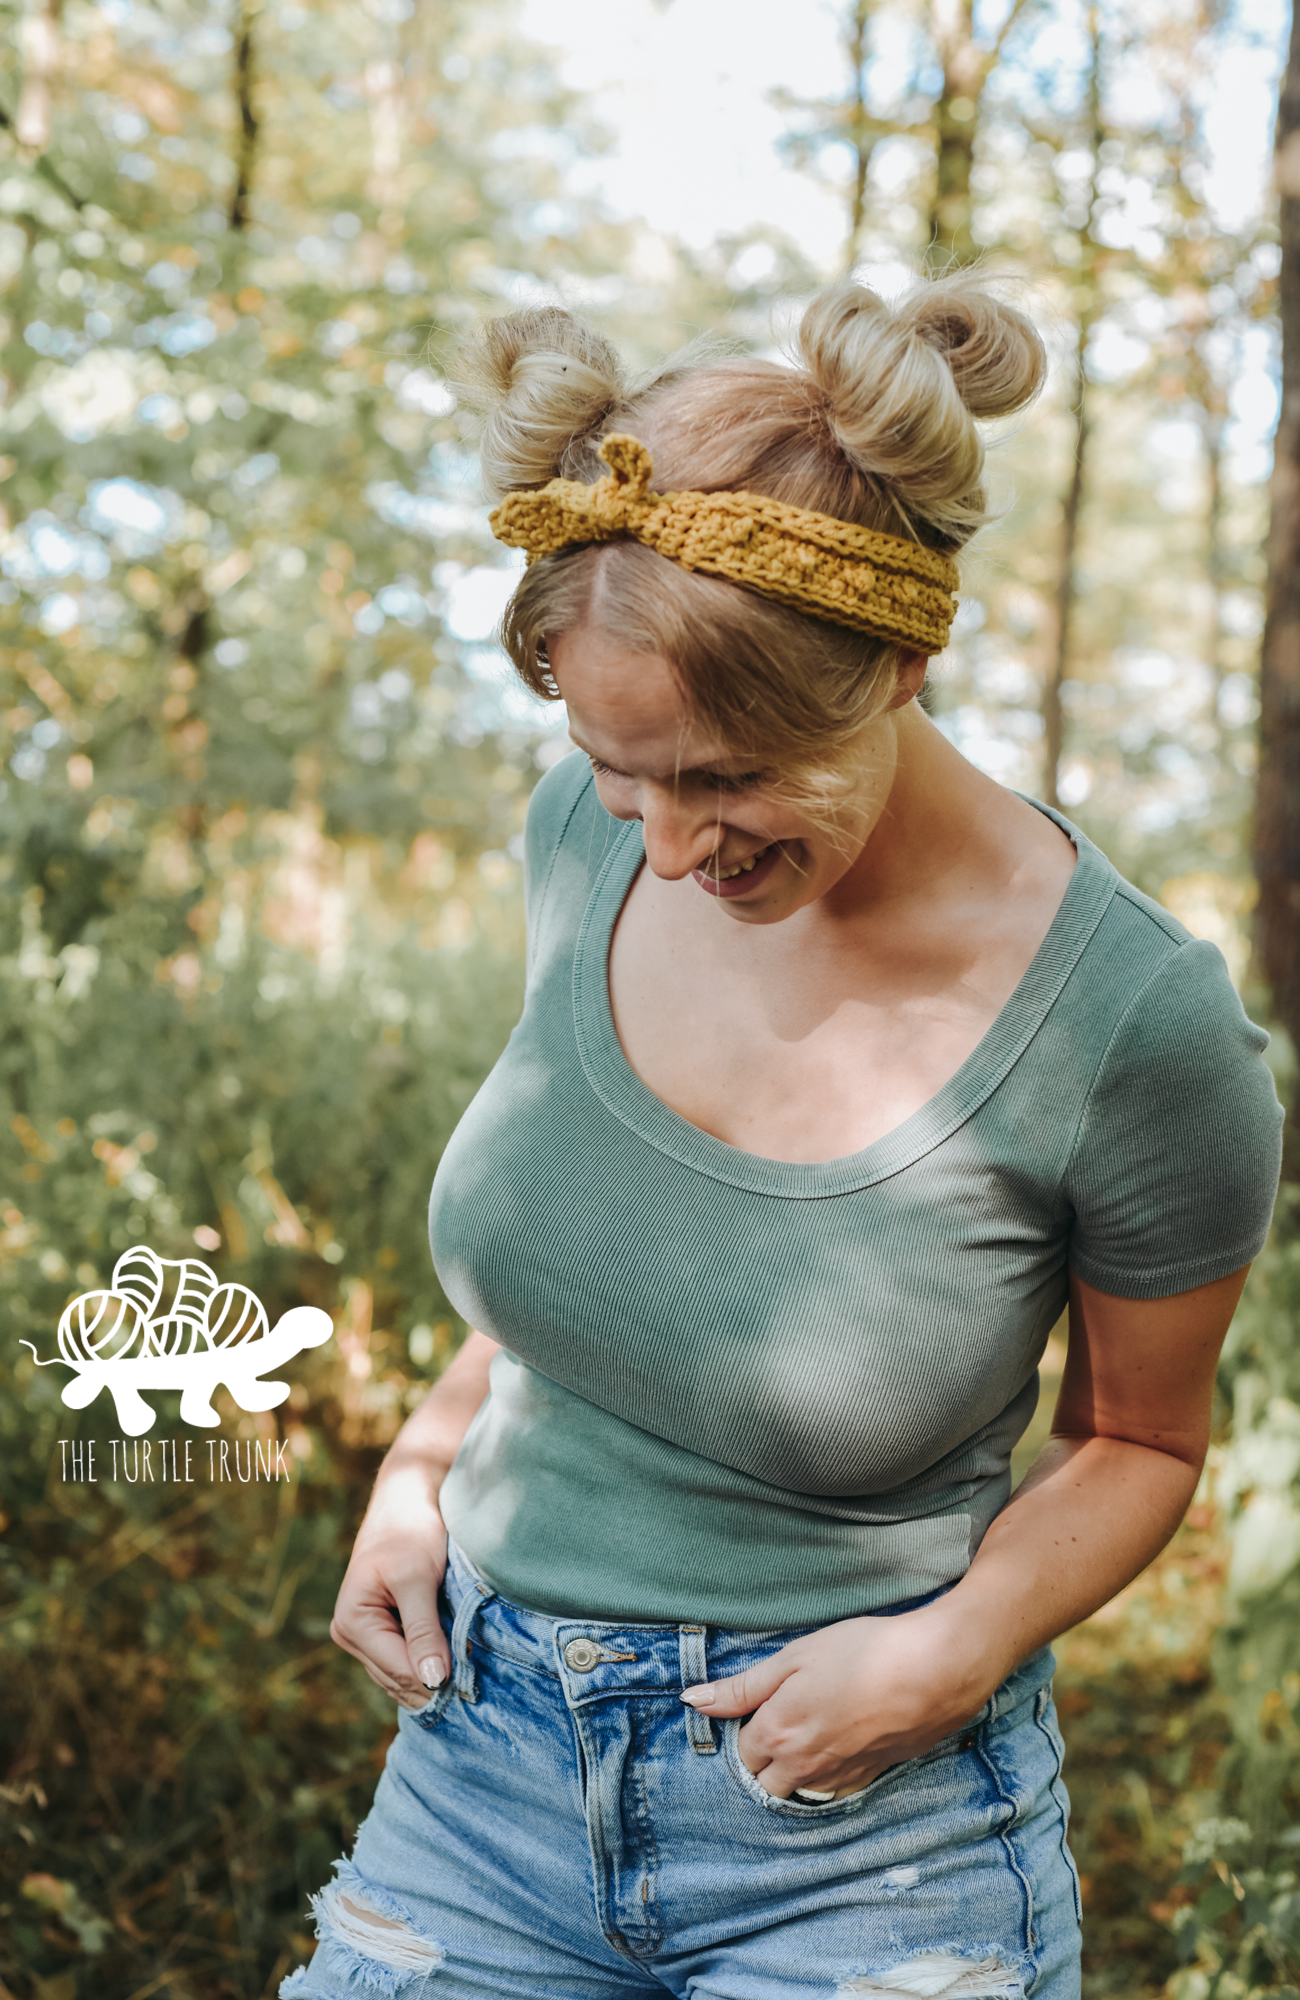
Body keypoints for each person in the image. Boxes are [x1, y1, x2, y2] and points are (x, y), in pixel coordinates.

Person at [282, 275, 1283, 2000]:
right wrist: (424, 1472)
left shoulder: (1137, 1026)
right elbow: (580, 1244)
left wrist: (951, 1657)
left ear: (900, 662)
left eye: (728, 779)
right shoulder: (580, 842)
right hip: (483, 1777)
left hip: (860, 1840)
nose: (666, 850)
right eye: (618, 772)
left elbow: (1142, 1446)